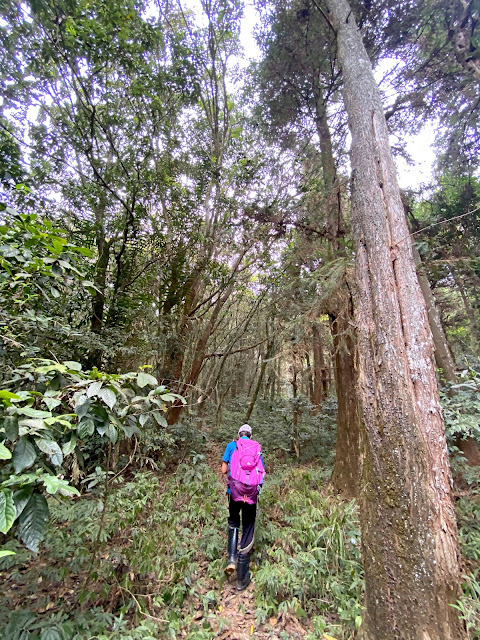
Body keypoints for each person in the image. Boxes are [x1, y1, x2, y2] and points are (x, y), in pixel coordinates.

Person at [221, 423, 265, 591]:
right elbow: (261, 473)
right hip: (251, 495)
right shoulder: (256, 448)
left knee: (233, 523)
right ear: (251, 436)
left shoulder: (232, 446)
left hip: (234, 492)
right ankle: (241, 578)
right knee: (247, 527)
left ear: (238, 435)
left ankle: (231, 559)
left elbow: (224, 469)